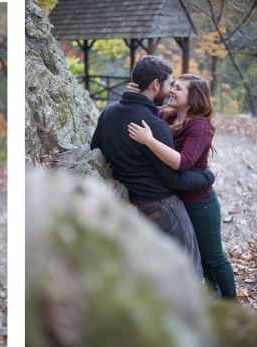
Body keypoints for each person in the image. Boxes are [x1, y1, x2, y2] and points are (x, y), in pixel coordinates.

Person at [90, 55, 218, 279]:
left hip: (134, 205)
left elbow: (96, 151)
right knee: (190, 271)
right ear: (156, 84)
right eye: (169, 84)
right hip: (163, 207)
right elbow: (175, 179)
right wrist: (209, 176)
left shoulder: (108, 113)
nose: (170, 90)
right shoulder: (156, 126)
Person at [126, 74, 236, 300]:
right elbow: (142, 112)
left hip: (200, 205)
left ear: (193, 97)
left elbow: (184, 162)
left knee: (213, 257)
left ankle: (231, 304)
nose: (172, 91)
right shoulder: (165, 116)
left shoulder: (200, 126)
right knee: (197, 257)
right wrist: (134, 97)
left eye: (179, 88)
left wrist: (149, 141)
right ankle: (212, 298)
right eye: (173, 86)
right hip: (175, 203)